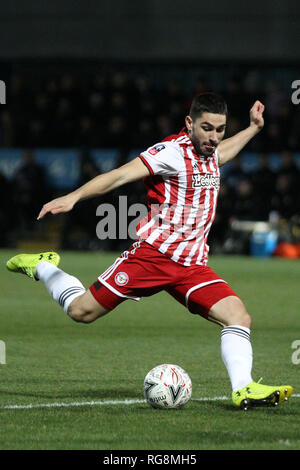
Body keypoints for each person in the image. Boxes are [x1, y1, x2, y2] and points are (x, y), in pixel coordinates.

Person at [7, 93, 293, 410]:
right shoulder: (170, 152)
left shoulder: (211, 151)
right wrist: (73, 197)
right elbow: (119, 175)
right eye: (207, 128)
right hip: (153, 257)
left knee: (238, 316)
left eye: (220, 129)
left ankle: (244, 389)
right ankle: (45, 267)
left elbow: (222, 153)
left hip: (192, 266)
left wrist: (253, 128)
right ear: (189, 123)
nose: (214, 137)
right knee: (80, 312)